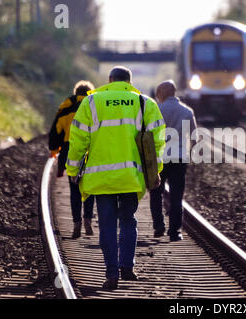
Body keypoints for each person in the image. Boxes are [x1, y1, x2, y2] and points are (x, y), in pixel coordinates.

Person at [66, 66, 166, 290]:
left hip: (102, 179)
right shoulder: (144, 103)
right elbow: (157, 141)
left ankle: (111, 274)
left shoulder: (92, 102)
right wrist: (156, 170)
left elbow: (78, 139)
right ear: (129, 82)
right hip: (131, 176)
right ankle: (127, 267)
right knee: (128, 220)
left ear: (110, 80)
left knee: (107, 225)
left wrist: (73, 170)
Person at [150, 80, 197, 242]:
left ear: (161, 94)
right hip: (179, 157)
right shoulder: (187, 111)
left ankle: (159, 226)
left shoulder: (155, 110)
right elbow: (194, 137)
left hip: (159, 158)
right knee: (177, 195)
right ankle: (175, 231)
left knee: (156, 192)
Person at [48, 81, 95, 239]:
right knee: (89, 187)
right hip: (91, 149)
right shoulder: (94, 106)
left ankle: (77, 223)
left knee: (74, 187)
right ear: (90, 92)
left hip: (70, 150)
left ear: (75, 92)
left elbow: (56, 131)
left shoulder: (66, 108)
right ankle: (88, 218)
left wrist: (54, 149)